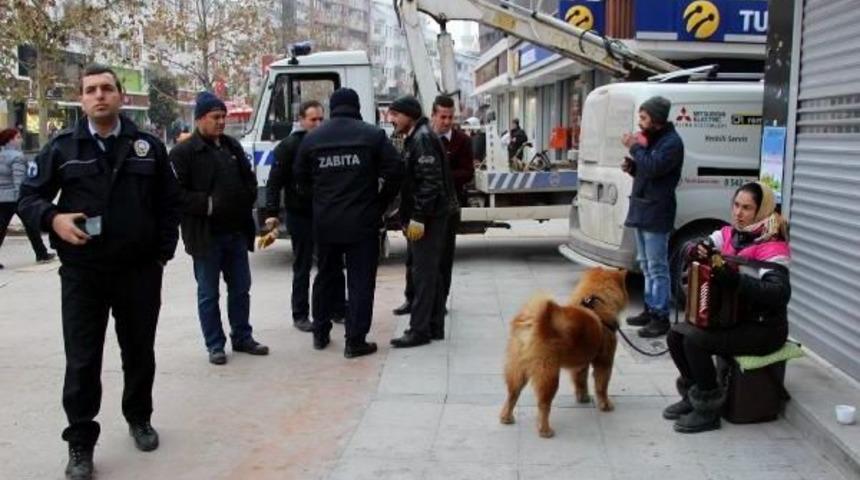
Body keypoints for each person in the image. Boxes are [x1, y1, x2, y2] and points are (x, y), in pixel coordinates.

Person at [17, 64, 181, 480]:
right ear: (81, 99)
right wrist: (52, 219)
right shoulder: (61, 148)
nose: (99, 95)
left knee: (139, 352)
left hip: (138, 271)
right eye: (90, 90)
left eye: (107, 88)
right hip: (83, 274)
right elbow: (29, 198)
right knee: (83, 359)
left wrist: (161, 254)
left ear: (121, 96)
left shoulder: (147, 146)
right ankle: (80, 442)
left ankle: (139, 418)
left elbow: (168, 203)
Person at [664, 182, 790, 434]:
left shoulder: (773, 247)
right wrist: (695, 248)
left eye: (746, 208)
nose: (738, 213)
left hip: (763, 328)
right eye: (736, 205)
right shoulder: (730, 234)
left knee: (694, 341)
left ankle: (708, 408)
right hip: (734, 320)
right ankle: (693, 394)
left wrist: (736, 281)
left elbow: (779, 294)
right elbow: (693, 246)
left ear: (761, 210)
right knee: (675, 335)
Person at [295, 88, 402, 358]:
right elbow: (396, 171)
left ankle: (320, 333)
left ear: (332, 108)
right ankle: (355, 341)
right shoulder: (372, 135)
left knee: (325, 278)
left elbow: (300, 180)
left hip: (326, 222)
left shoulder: (313, 138)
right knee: (360, 282)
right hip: (362, 222)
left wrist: (320, 202)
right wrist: (379, 203)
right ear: (356, 107)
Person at [170, 91, 269, 366]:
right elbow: (176, 195)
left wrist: (244, 198)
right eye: (216, 117)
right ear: (200, 119)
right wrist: (210, 205)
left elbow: (249, 180)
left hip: (235, 233)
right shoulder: (183, 153)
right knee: (208, 293)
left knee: (240, 288)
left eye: (223, 116)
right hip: (205, 237)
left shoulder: (231, 147)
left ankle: (242, 336)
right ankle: (215, 344)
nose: (221, 122)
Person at [263, 100, 346, 332]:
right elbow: (274, 182)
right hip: (300, 215)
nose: (318, 124)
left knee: (333, 264)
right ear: (301, 120)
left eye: (321, 119)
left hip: (327, 213)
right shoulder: (289, 146)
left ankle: (338, 309)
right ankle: (300, 314)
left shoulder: (329, 142)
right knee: (302, 266)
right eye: (313, 120)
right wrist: (271, 213)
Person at [392, 95, 473, 327]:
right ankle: (424, 309)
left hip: (434, 212)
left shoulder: (427, 139)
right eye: (443, 116)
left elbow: (433, 181)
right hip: (428, 209)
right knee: (417, 263)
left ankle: (429, 317)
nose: (447, 121)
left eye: (451, 117)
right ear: (434, 114)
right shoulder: (421, 136)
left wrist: (419, 215)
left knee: (434, 266)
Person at [620, 96, 684, 338]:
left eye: (644, 117)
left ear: (656, 119)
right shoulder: (654, 140)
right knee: (645, 264)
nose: (640, 121)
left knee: (657, 266)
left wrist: (634, 148)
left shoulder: (671, 143)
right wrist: (633, 168)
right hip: (642, 209)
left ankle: (660, 316)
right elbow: (647, 171)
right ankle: (650, 308)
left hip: (657, 212)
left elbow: (656, 167)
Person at [0, 127, 55, 267]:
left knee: (2, 229)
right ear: (10, 140)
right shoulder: (17, 157)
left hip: (2, 198)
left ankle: (42, 253)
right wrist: (24, 198)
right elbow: (19, 181)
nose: (21, 140)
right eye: (18, 137)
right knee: (31, 225)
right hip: (15, 198)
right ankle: (41, 254)